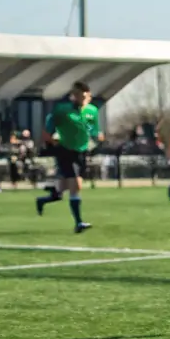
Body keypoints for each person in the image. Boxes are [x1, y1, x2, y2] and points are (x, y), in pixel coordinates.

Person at [36, 81, 103, 232]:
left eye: (85, 96)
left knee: (63, 190)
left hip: (81, 152)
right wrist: (50, 139)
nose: (82, 98)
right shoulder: (62, 110)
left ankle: (45, 198)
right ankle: (78, 223)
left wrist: (97, 136)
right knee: (76, 185)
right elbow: (48, 127)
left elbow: (91, 129)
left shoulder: (92, 111)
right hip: (65, 150)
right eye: (79, 95)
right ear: (74, 96)